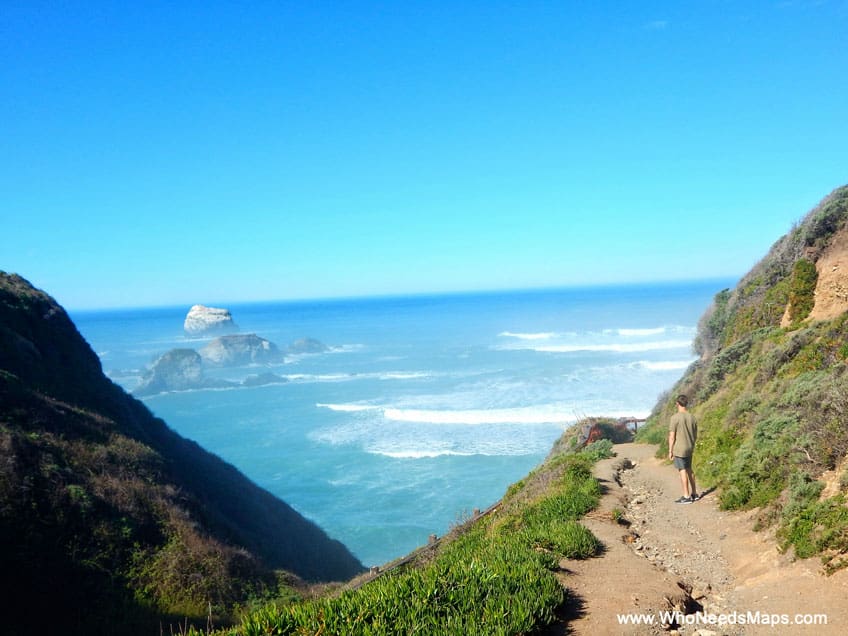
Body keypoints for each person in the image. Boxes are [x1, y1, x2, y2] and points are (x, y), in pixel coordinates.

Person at [668, 393, 698, 504]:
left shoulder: (674, 418)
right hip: (690, 447)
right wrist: (692, 444)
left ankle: (686, 496)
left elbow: (672, 436)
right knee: (690, 470)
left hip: (679, 448)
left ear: (677, 403)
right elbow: (695, 435)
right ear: (686, 403)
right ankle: (694, 494)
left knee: (682, 471)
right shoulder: (692, 417)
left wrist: (670, 451)